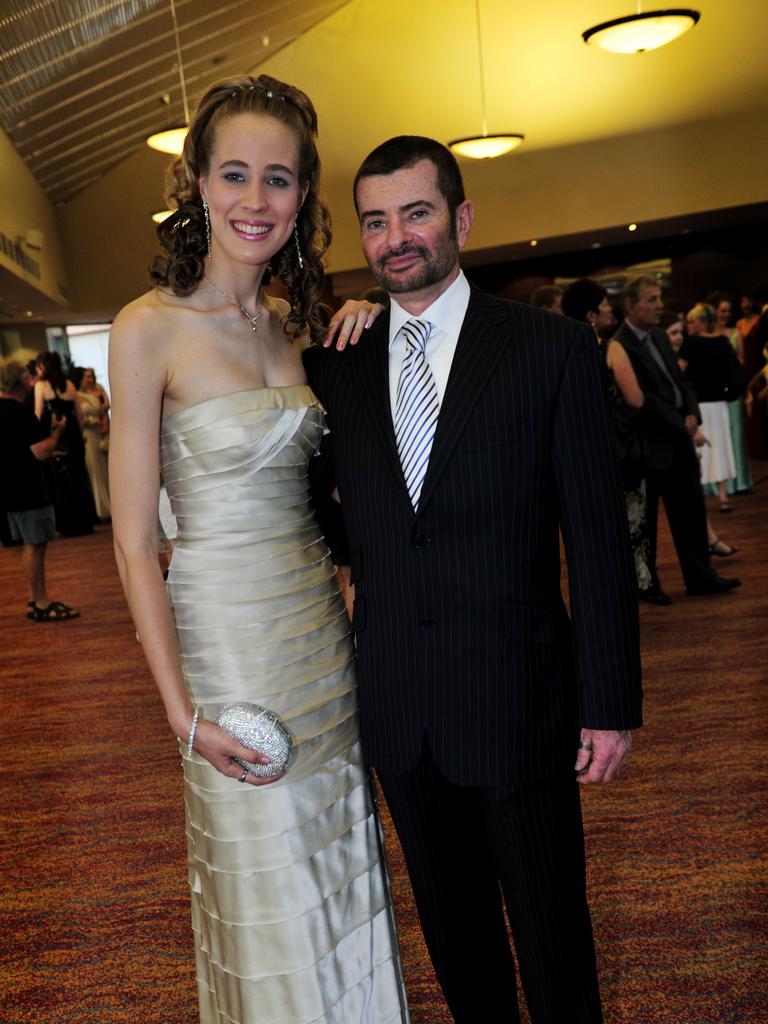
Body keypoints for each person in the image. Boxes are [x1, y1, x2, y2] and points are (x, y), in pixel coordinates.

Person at [304, 135, 643, 1024]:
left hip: (518, 696)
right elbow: (327, 512)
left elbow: (599, 542)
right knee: (456, 940)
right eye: (375, 222)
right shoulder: (336, 362)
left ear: (460, 218)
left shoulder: (549, 348)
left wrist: (607, 702)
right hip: (399, 707)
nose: (395, 239)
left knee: (552, 937)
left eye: (415, 213)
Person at [108, 75, 408, 1024]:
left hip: (319, 629)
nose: (255, 199)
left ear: (302, 199)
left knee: (337, 857)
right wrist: (181, 715)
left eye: (278, 180)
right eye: (233, 173)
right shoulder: (146, 328)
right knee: (263, 867)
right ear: (194, 181)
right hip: (227, 631)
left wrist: (371, 326)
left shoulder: (295, 327)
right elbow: (128, 536)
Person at [612, 277, 740, 598]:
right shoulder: (621, 343)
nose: (659, 305)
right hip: (651, 445)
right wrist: (679, 420)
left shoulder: (657, 335)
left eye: (659, 298)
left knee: (692, 513)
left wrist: (692, 412)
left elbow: (680, 381)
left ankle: (701, 578)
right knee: (649, 523)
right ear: (630, 305)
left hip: (679, 437)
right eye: (652, 299)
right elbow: (641, 399)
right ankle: (649, 584)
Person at [562, 278, 656, 599]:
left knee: (594, 528)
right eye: (603, 304)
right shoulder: (610, 348)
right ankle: (640, 582)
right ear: (591, 314)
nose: (609, 309)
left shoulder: (559, 349)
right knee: (633, 520)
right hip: (617, 451)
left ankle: (603, 587)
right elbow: (636, 399)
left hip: (578, 456)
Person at [0, 359, 79, 621]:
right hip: (28, 484)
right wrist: (57, 432)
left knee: (29, 544)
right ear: (21, 381)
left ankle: (35, 599)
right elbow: (41, 451)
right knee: (35, 544)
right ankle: (41, 601)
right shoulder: (18, 411)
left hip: (10, 485)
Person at [680, 303, 739, 512]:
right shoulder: (723, 342)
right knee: (720, 447)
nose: (688, 325)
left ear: (703, 322)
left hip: (698, 404)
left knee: (700, 450)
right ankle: (723, 497)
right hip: (719, 402)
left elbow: (679, 374)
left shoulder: (691, 344)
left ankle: (701, 498)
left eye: (692, 321)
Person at [34, 351, 95, 536]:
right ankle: (84, 522)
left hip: (56, 435)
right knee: (78, 478)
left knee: (60, 480)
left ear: (43, 366)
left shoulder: (41, 386)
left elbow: (38, 414)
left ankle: (67, 525)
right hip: (73, 435)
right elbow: (80, 416)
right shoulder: (69, 385)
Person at [704, 290, 753, 494]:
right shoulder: (703, 335)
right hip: (711, 393)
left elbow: (741, 364)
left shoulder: (735, 333)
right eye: (722, 310)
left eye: (728, 310)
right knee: (714, 437)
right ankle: (716, 485)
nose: (726, 314)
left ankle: (738, 481)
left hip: (731, 393)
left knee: (735, 435)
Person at [77, 367, 111, 519]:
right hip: (90, 435)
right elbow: (81, 418)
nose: (90, 379)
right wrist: (93, 421)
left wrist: (103, 422)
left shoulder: (99, 389)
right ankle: (101, 509)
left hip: (104, 432)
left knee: (108, 470)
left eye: (91, 376)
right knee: (96, 471)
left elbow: (107, 406)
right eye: (86, 377)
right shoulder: (77, 395)